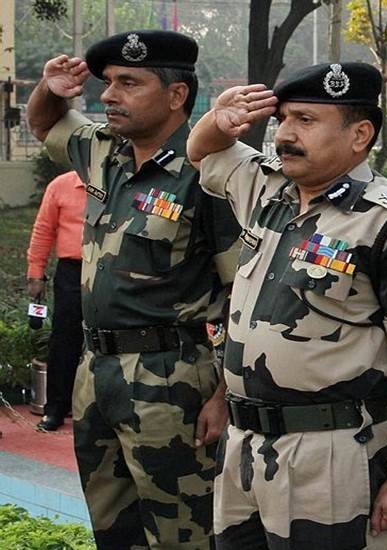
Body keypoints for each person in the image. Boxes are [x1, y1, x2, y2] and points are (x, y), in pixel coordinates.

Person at [186, 62, 387, 549]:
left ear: (360, 135)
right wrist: (217, 121)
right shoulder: (268, 190)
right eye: (284, 118)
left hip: (329, 454)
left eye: (305, 120)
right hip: (244, 444)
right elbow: (201, 152)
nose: (285, 134)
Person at [26, 30, 241, 548]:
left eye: (128, 83)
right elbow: (45, 122)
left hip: (172, 380)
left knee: (182, 532)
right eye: (107, 83)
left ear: (176, 95)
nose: (108, 95)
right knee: (112, 528)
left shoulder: (212, 174)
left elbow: (247, 295)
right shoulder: (104, 151)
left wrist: (224, 396)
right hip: (96, 371)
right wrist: (51, 89)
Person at [26, 170, 85, 432]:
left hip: (114, 271)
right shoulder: (61, 186)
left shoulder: (120, 181)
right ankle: (55, 409)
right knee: (64, 340)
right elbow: (43, 230)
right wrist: (35, 273)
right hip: (72, 271)